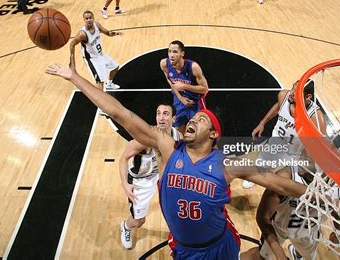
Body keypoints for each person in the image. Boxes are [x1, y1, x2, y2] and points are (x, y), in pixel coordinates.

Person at [45, 59, 308, 259]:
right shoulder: (168, 148)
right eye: (193, 118)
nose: (193, 119)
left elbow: (282, 185)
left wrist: (321, 196)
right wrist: (74, 78)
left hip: (220, 245)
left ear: (214, 134)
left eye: (201, 119)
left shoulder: (226, 165)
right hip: (184, 249)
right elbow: (118, 112)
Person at [242, 80, 325, 189]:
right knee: (261, 165)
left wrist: (307, 158)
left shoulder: (315, 117)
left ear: (308, 96)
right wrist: (262, 123)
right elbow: (278, 107)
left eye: (296, 92)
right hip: (276, 142)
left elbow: (320, 144)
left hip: (295, 153)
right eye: (292, 88)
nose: (291, 93)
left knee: (284, 185)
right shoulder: (284, 96)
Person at [119, 103, 180, 249]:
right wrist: (124, 184)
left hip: (159, 176)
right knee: (139, 221)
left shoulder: (177, 135)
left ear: (174, 118)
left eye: (165, 113)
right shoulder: (144, 139)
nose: (161, 117)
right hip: (141, 181)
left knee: (176, 209)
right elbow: (123, 159)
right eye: (158, 113)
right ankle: (126, 227)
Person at [160, 40, 209, 134]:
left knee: (199, 130)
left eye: (175, 52)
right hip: (179, 100)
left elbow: (205, 89)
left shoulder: (193, 67)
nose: (171, 55)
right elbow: (170, 80)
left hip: (195, 101)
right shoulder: (164, 64)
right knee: (177, 127)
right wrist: (180, 97)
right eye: (169, 51)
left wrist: (185, 86)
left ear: (182, 53)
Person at [69, 10, 122, 91]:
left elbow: (107, 33)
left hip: (100, 55)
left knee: (115, 67)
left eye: (90, 18)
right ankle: (99, 102)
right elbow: (72, 43)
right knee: (100, 82)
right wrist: (72, 61)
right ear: (84, 20)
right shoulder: (82, 34)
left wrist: (115, 33)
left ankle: (109, 84)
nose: (89, 20)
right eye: (86, 18)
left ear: (93, 18)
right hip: (92, 59)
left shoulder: (96, 25)